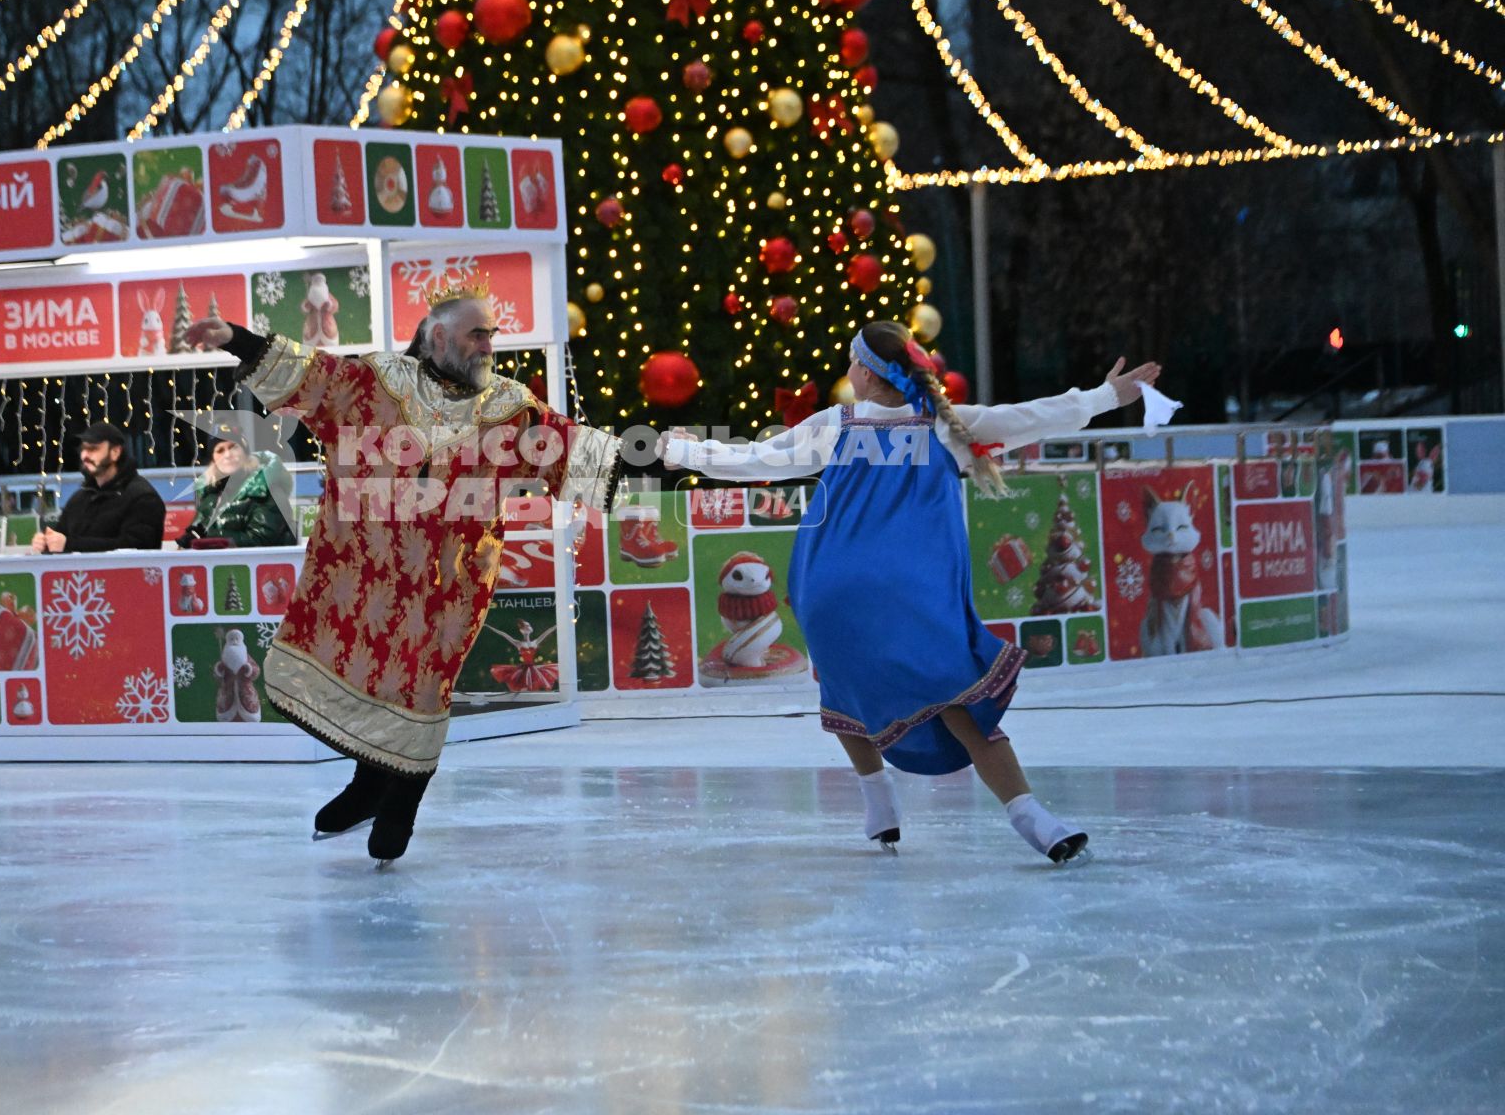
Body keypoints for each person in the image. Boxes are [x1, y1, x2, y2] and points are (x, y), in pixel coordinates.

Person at [661, 321, 1161, 864]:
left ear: (866, 374)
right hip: (913, 595)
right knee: (959, 702)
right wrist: (1108, 395)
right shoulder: (947, 425)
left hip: (832, 586)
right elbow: (1031, 416)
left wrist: (689, 453)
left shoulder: (838, 424)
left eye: (851, 361)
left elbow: (757, 460)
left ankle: (879, 803)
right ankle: (1029, 816)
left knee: (844, 689)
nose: (846, 369)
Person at [186, 283, 622, 865]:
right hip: (362, 572)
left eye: (491, 334)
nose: (488, 345)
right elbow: (307, 375)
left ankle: (401, 803)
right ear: (439, 337)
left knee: (421, 685)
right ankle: (368, 785)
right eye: (477, 333)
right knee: (366, 675)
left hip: (450, 587)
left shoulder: (511, 408)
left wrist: (695, 457)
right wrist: (235, 340)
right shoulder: (375, 380)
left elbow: (580, 453)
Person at [33, 421, 166, 554]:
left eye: (93, 449)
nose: (84, 455)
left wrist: (69, 544)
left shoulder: (142, 497)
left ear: (115, 452)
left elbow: (137, 548)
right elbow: (60, 538)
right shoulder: (80, 498)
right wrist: (47, 544)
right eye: (83, 449)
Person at [180, 430, 296, 548]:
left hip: (267, 564)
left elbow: (260, 540)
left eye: (233, 447)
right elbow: (197, 529)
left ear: (246, 454)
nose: (227, 455)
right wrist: (190, 537)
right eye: (220, 450)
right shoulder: (210, 494)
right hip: (221, 564)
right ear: (214, 461)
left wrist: (208, 537)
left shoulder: (266, 488)